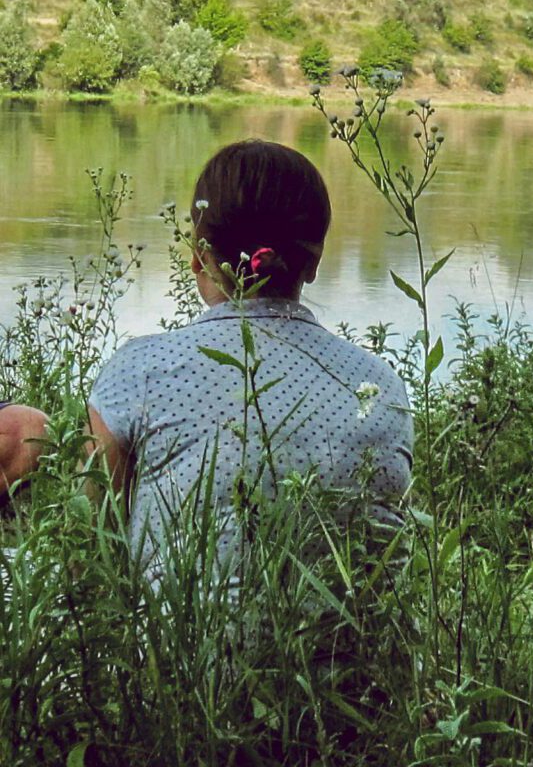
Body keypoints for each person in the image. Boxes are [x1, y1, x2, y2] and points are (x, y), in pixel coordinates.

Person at [11, 140, 413, 576]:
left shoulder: (142, 371)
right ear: (313, 264)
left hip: (175, 644)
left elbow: (88, 554)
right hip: (349, 645)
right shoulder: (380, 384)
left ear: (201, 258)